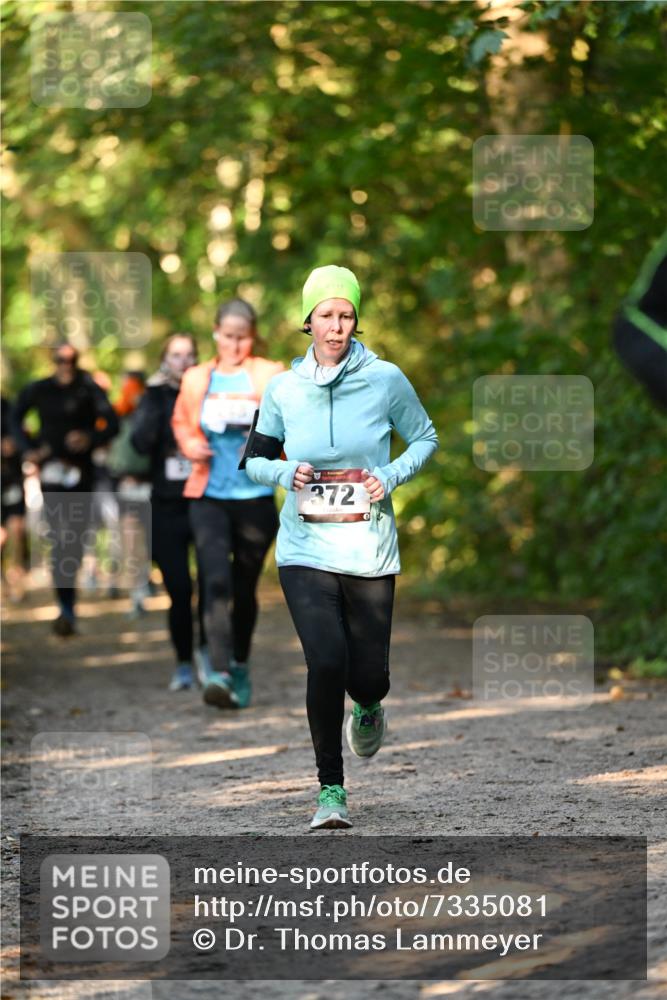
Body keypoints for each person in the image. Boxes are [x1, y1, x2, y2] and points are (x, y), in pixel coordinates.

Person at [242, 265, 438, 830]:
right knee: (325, 661)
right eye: (325, 315)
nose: (336, 326)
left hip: (369, 548)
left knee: (368, 675)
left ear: (356, 319)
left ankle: (371, 705)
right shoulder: (283, 388)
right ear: (308, 321)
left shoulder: (385, 379)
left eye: (346, 315)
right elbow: (253, 460)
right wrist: (286, 473)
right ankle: (331, 791)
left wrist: (391, 475)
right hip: (304, 548)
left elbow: (425, 436)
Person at [171, 299, 284, 708]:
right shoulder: (197, 378)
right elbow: (182, 421)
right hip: (208, 497)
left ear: (252, 336)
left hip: (254, 498)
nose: (235, 344)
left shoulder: (270, 375)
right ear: (216, 332)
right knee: (214, 582)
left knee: (244, 587)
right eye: (228, 336)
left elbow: (289, 419)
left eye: (243, 337)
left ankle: (239, 664)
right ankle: (217, 672)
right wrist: (191, 444)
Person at [11, 343, 119, 635]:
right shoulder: (40, 389)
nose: (66, 365)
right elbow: (13, 418)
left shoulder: (88, 387)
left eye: (71, 360)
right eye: (61, 360)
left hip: (81, 474)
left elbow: (112, 423)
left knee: (75, 538)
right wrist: (28, 449)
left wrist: (89, 437)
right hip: (51, 473)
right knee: (60, 538)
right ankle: (65, 606)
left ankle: (69, 602)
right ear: (53, 360)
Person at [131, 333, 211, 691]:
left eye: (189, 355)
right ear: (165, 360)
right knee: (179, 588)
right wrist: (155, 401)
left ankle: (208, 654)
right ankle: (182, 663)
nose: (183, 361)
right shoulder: (154, 395)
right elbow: (139, 442)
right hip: (165, 506)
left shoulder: (211, 393)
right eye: (176, 355)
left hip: (206, 501)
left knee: (212, 585)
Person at [1, 396, 28, 602]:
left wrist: (17, 443)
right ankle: (3, 583)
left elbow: (23, 437)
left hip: (12, 482)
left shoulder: (9, 407)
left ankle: (17, 581)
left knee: (16, 532)